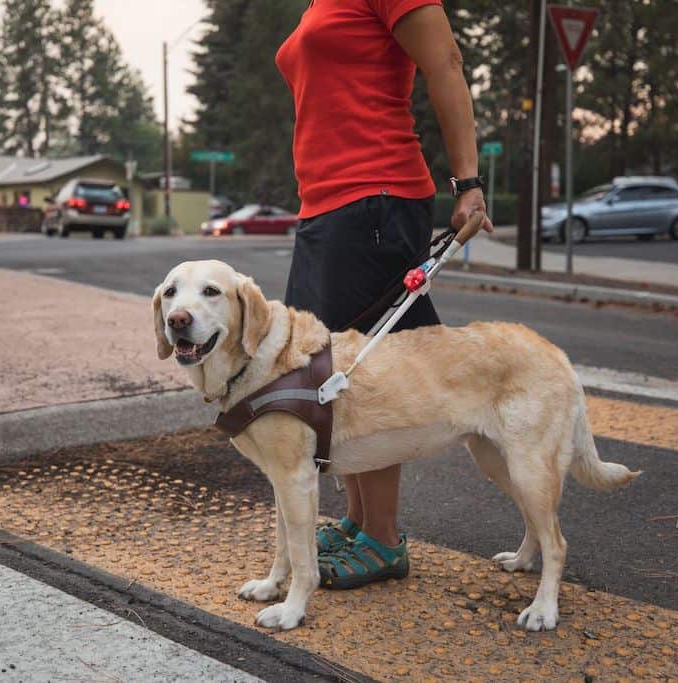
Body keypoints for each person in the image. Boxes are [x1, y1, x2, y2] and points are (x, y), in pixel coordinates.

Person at [276, 0, 493, 589]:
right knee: (329, 372)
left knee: (367, 375)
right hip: (326, 206)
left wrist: (468, 183)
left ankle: (384, 539)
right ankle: (357, 518)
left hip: (374, 196)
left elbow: (446, 61)